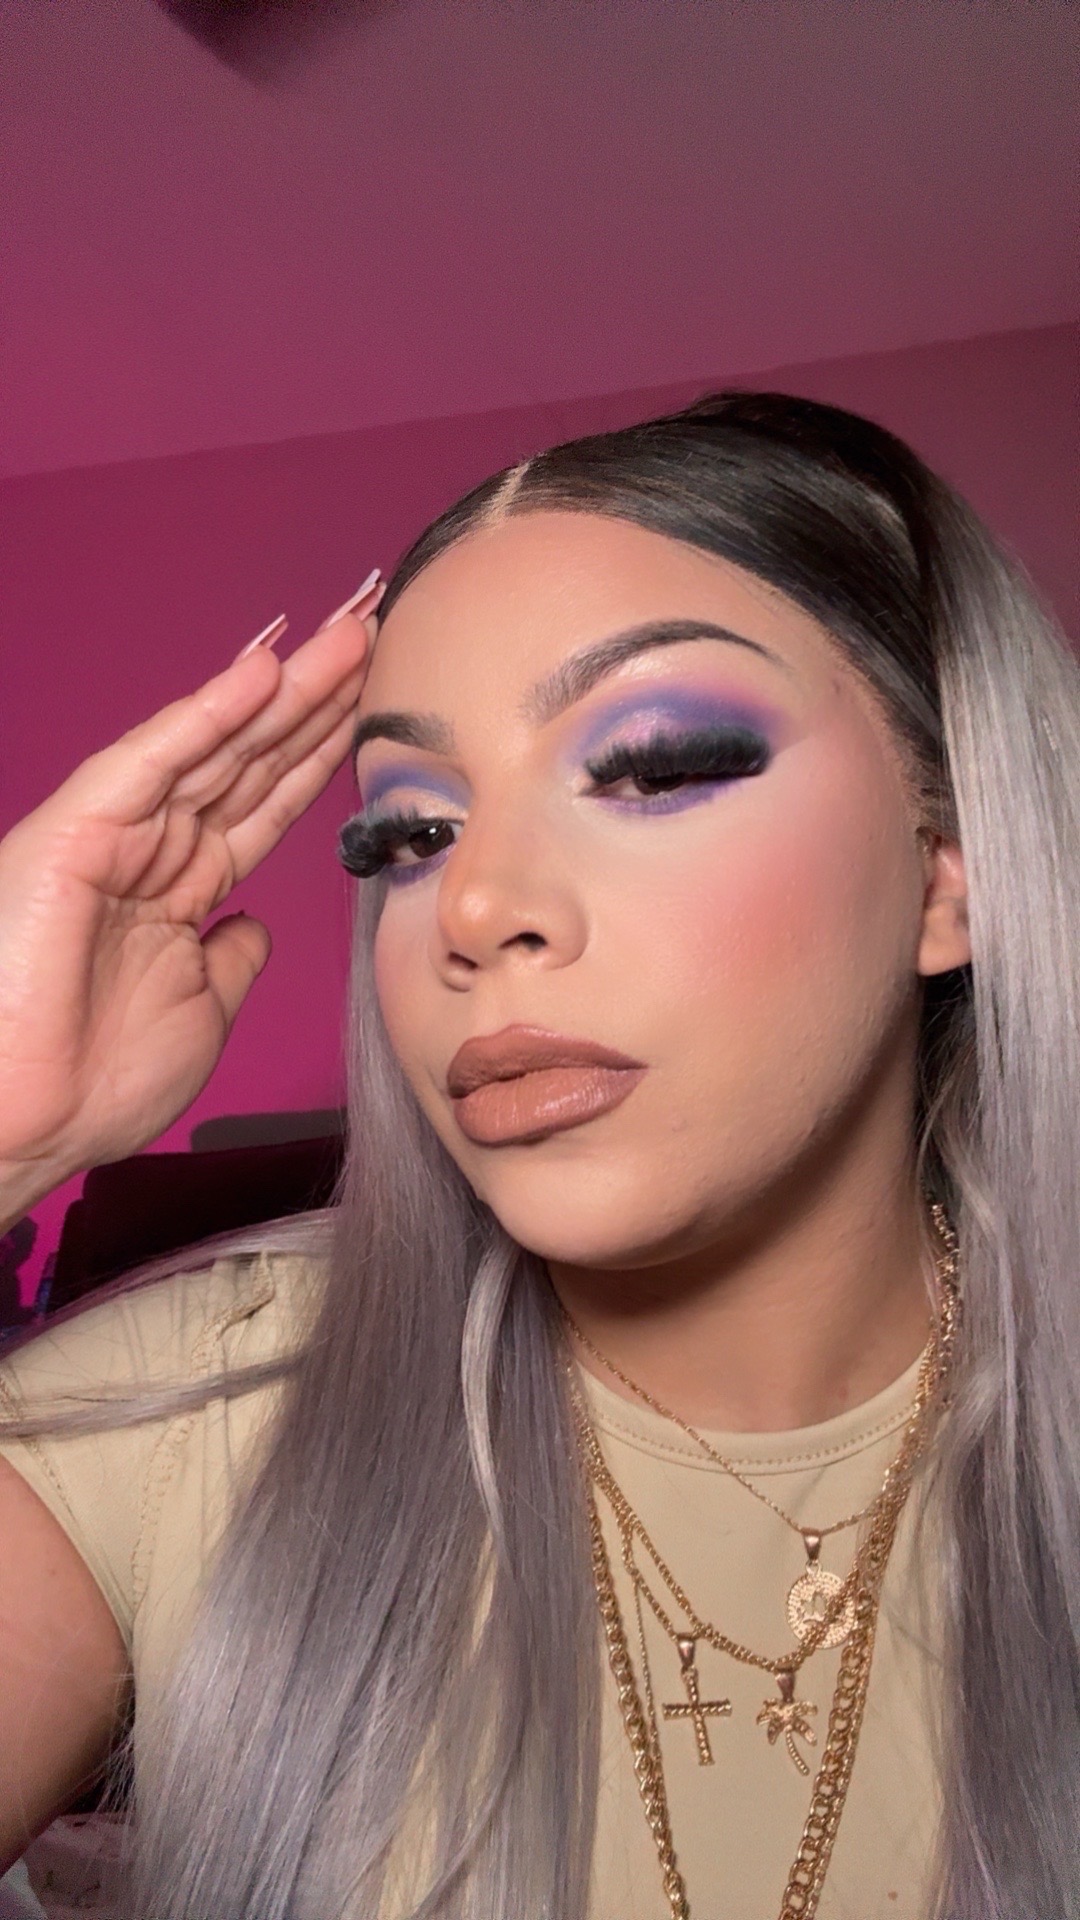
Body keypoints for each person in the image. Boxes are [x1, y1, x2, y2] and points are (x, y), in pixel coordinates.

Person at [0, 392, 1076, 1920]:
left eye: (648, 766)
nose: (474, 903)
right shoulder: (199, 1416)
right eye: (409, 833)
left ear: (947, 874)